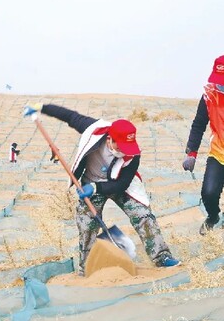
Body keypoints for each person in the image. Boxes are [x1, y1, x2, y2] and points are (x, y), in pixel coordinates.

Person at [24, 104, 180, 276]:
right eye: (120, 146)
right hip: (90, 182)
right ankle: (87, 266)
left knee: (143, 215)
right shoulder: (94, 130)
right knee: (86, 223)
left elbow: (122, 184)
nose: (124, 151)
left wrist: (96, 187)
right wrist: (42, 107)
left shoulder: (133, 154)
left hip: (120, 184)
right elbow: (69, 116)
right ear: (109, 139)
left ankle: (162, 257)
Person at [183, 55, 224, 235]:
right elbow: (199, 124)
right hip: (218, 152)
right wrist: (191, 153)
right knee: (208, 193)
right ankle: (213, 216)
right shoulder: (209, 95)